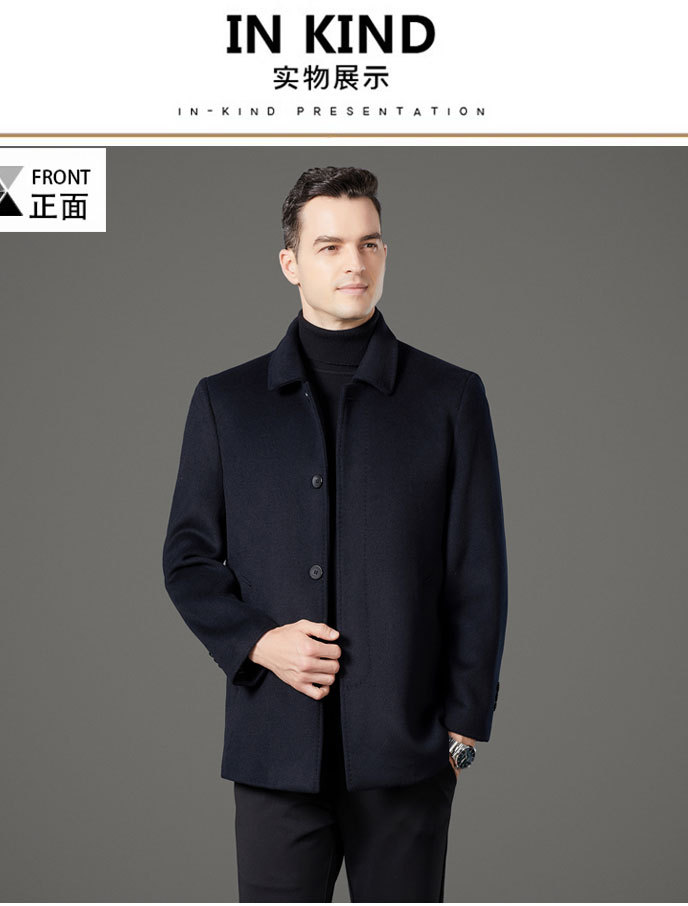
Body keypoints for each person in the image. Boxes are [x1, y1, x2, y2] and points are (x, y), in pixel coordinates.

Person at [162, 166, 508, 902]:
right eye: (330, 246)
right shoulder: (226, 403)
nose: (355, 262)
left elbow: (477, 569)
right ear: (290, 262)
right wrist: (258, 641)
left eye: (369, 243)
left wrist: (465, 727)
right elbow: (188, 559)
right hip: (274, 750)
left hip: (409, 752)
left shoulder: (450, 396)